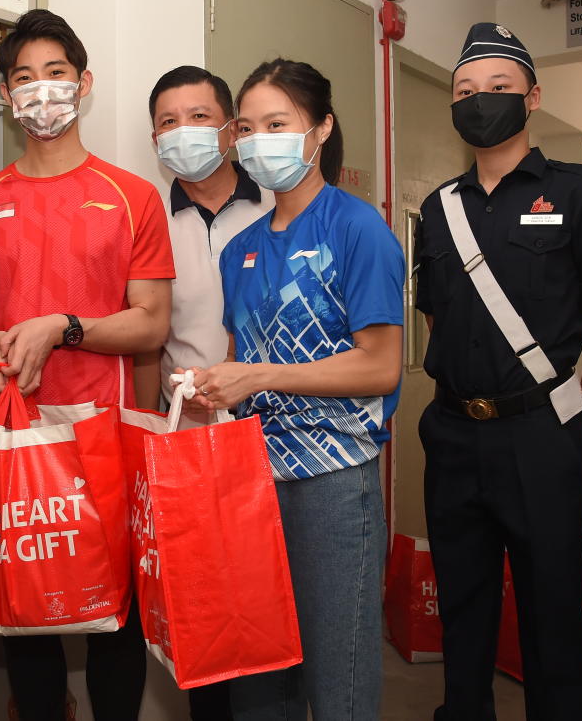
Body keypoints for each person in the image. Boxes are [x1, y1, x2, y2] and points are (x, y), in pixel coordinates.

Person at [0, 9, 174, 720]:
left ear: (85, 84)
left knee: (115, 614)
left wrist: (64, 329)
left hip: (106, 434)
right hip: (14, 435)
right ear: (6, 95)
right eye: (23, 78)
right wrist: (3, 341)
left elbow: (152, 322)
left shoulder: (132, 197)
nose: (42, 91)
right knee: (26, 612)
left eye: (56, 74)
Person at [414, 23, 582, 721]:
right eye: (466, 90)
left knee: (552, 619)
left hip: (542, 435)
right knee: (463, 610)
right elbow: (436, 320)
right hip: (452, 435)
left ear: (532, 96)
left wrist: (571, 426)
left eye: (499, 87)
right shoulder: (437, 210)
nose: (481, 100)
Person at [189, 58, 404, 720]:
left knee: (339, 676)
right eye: (246, 128)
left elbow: (380, 366)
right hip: (252, 484)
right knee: (260, 677)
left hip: (334, 485)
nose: (259, 142)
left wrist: (256, 376)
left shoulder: (356, 227)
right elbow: (240, 357)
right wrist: (215, 388)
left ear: (320, 130)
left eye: (277, 124)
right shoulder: (240, 250)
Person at [136, 66, 275, 718]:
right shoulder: (146, 224)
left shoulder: (279, 204)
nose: (182, 131)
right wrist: (161, 400)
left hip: (279, 441)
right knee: (206, 614)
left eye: (198, 116)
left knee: (276, 606)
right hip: (189, 444)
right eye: (167, 121)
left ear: (229, 129)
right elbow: (144, 338)